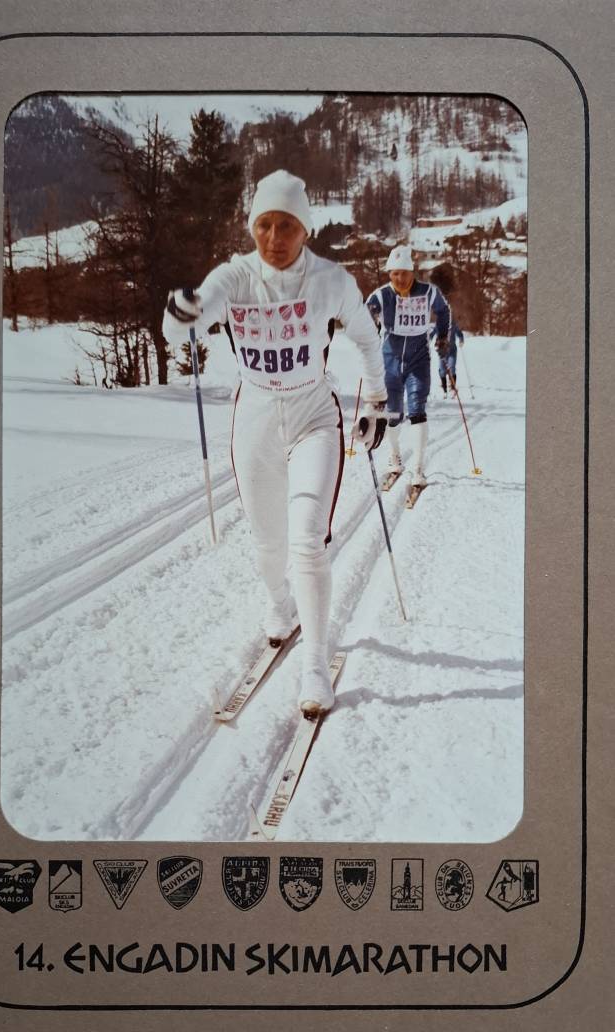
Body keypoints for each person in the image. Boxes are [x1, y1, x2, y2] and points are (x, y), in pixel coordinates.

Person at [162, 170, 387, 718]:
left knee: (307, 541)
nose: (274, 237)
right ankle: (280, 604)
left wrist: (377, 400)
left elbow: (365, 337)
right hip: (257, 419)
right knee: (268, 546)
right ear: (252, 227)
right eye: (264, 224)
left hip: (314, 416)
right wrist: (180, 313)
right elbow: (188, 323)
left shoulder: (330, 281)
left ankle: (315, 663)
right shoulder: (235, 276)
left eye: (286, 225)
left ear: (305, 230)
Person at [366, 245, 451, 489]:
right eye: (395, 273)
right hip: (390, 361)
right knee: (393, 413)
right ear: (389, 274)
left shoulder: (428, 292)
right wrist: (369, 325)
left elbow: (443, 311)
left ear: (412, 272)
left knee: (417, 410)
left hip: (418, 360)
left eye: (404, 273)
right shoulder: (381, 295)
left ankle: (418, 469)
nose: (400, 278)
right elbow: (365, 313)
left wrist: (442, 336)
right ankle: (395, 457)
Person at [429, 319, 464, 396]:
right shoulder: (438, 325)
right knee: (442, 371)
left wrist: (461, 340)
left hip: (452, 351)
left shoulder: (453, 325)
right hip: (442, 351)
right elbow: (432, 334)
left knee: (452, 368)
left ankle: (453, 388)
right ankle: (444, 390)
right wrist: (428, 340)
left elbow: (460, 334)